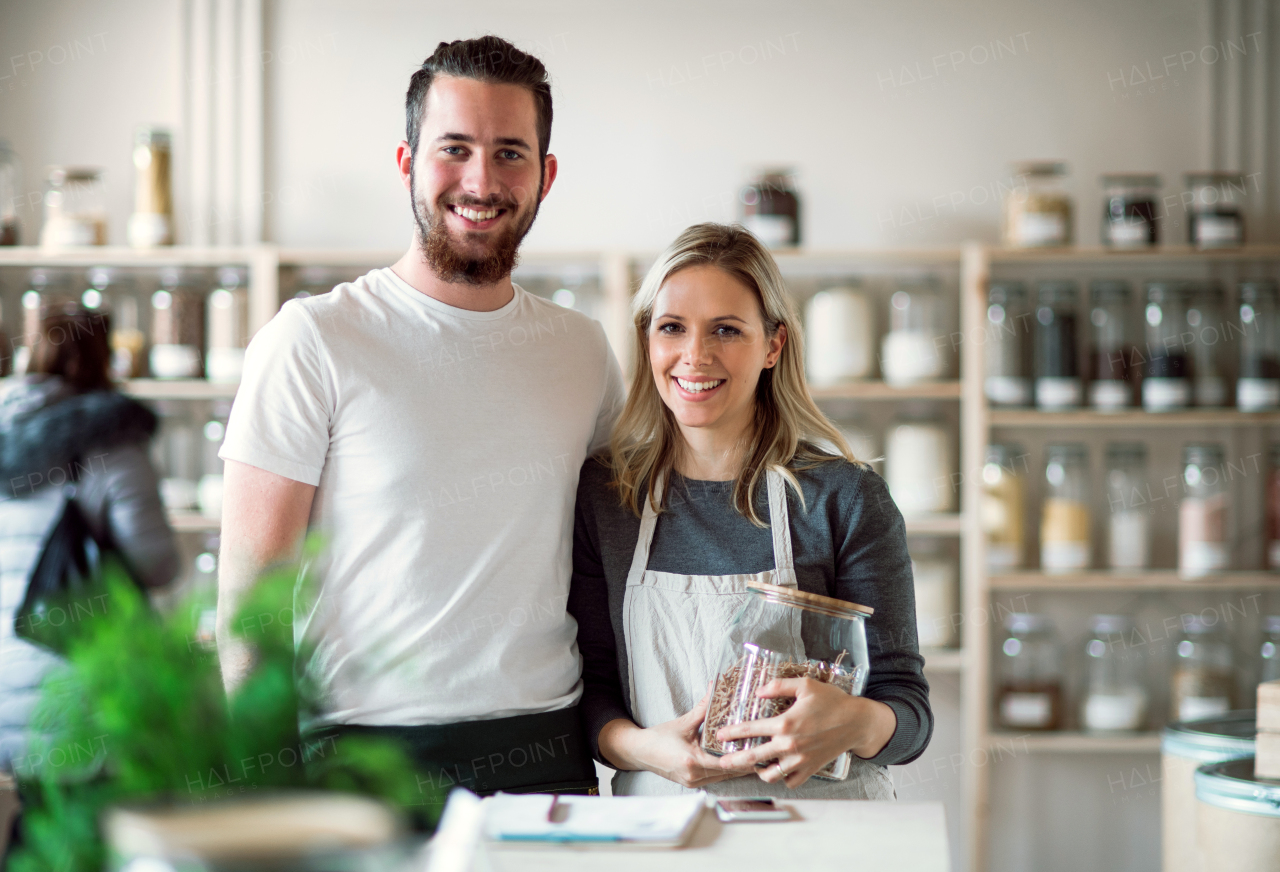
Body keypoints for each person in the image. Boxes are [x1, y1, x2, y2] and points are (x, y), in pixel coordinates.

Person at [216, 35, 624, 798]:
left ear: (546, 175)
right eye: (455, 148)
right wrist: (264, 801)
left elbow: (608, 563)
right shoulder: (313, 340)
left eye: (510, 153)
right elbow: (251, 608)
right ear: (406, 161)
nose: (482, 179)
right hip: (359, 758)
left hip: (546, 754)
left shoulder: (584, 351)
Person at [569, 223, 933, 797]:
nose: (696, 355)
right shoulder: (607, 495)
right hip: (664, 829)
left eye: (726, 330)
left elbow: (907, 711)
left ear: (773, 345)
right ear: (647, 341)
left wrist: (854, 721)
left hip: (823, 831)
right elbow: (591, 686)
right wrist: (645, 749)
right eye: (672, 328)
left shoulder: (845, 498)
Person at [0, 305, 178, 855]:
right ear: (104, 357)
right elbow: (157, 562)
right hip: (77, 672)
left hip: (7, 671)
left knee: (35, 820)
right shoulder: (109, 441)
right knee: (88, 829)